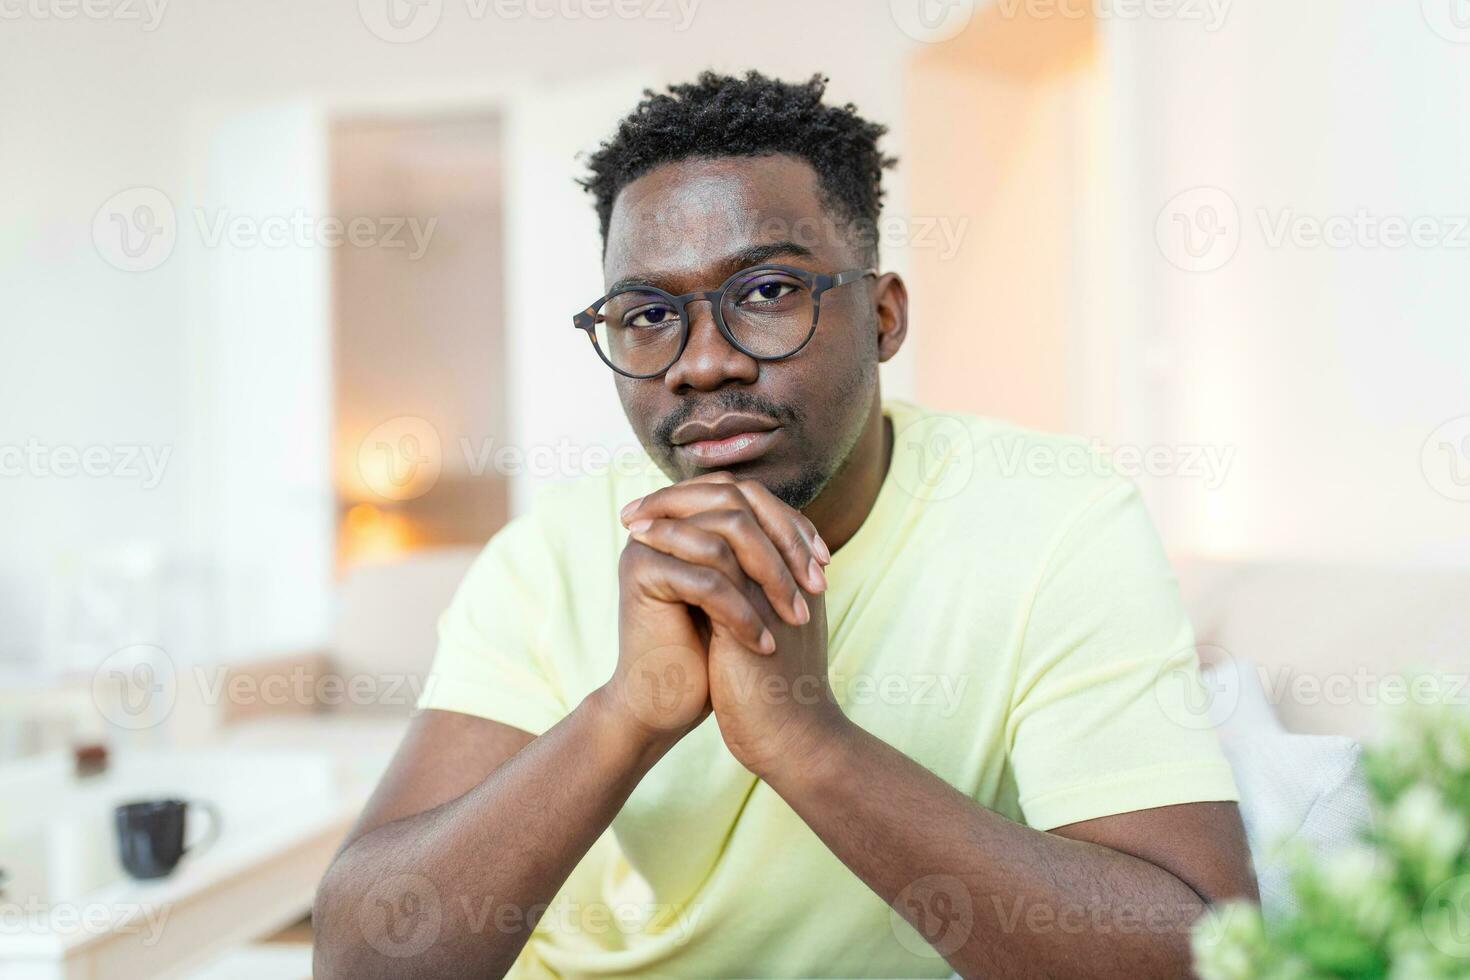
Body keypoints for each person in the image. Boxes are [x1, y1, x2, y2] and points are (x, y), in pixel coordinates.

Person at [314, 70, 1256, 979]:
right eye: (647, 313)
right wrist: (627, 714)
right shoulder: (544, 556)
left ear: (883, 317)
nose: (703, 364)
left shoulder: (1055, 518)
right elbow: (357, 962)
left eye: (765, 293)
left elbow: (1199, 957)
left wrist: (806, 742)